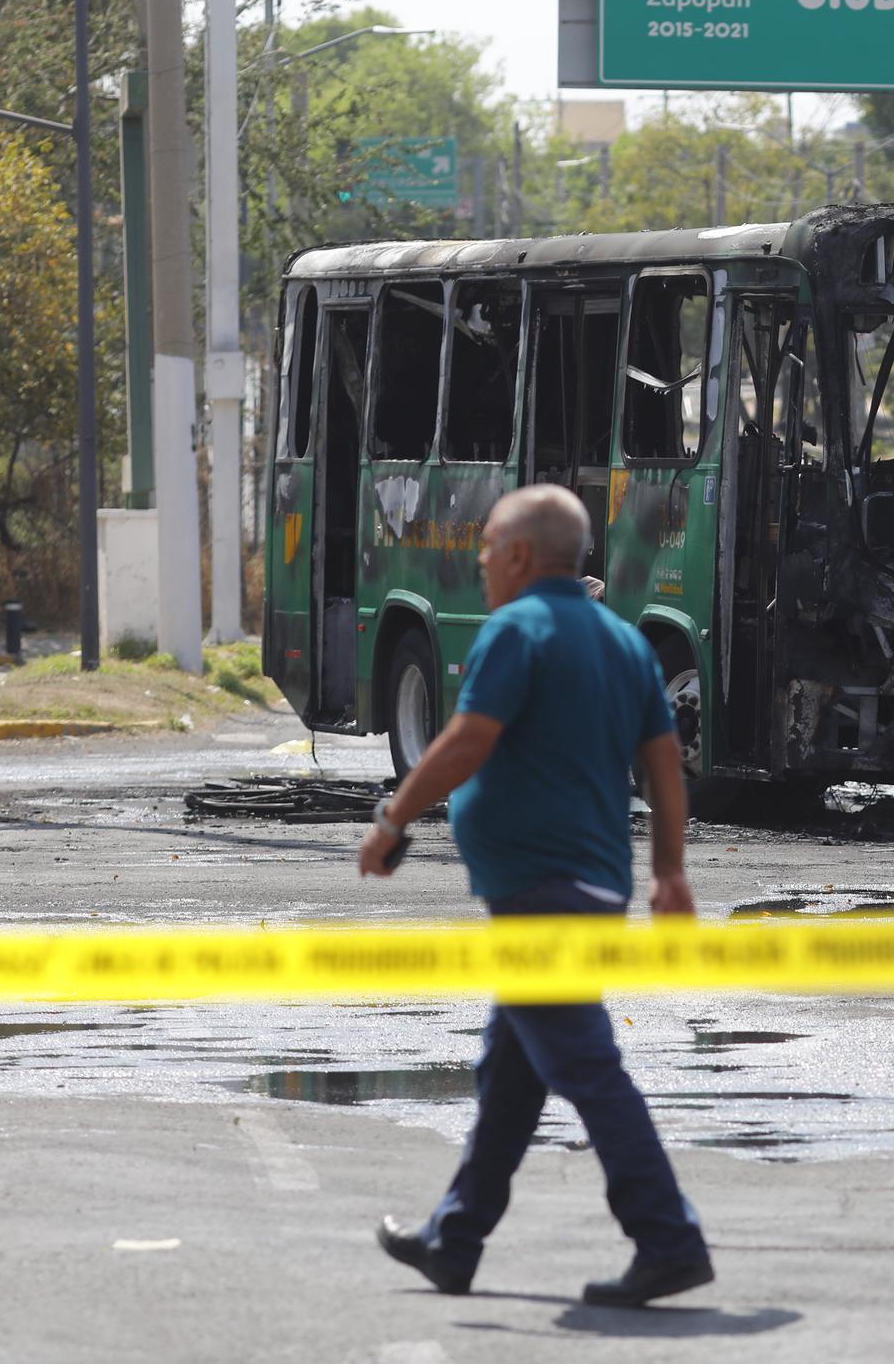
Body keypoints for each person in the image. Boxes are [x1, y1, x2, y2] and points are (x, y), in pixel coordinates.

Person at [362, 484, 712, 1308]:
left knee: (586, 1066)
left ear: (520, 555)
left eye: (487, 548)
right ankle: (454, 1241)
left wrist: (393, 819)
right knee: (512, 1070)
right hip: (591, 883)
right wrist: (669, 871)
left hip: (541, 890)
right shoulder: (621, 639)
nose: (482, 562)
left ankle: (668, 1238)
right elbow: (664, 763)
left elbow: (467, 740)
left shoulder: (516, 629)